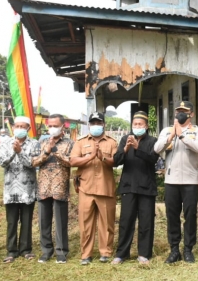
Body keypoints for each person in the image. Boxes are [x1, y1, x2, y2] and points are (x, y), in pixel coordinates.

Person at [154, 101, 198, 264]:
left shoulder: (196, 131)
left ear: (191, 114)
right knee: (172, 215)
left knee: (190, 215)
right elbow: (157, 149)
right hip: (171, 180)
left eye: (184, 111)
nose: (180, 114)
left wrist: (182, 135)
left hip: (190, 179)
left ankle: (188, 249)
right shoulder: (166, 130)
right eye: (178, 111)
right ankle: (174, 249)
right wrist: (172, 135)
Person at [112, 111, 160, 265]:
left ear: (146, 126)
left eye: (140, 124)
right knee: (126, 221)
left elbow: (153, 159)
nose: (137, 127)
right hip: (128, 186)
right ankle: (121, 254)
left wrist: (138, 148)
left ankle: (144, 254)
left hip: (146, 186)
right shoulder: (126, 139)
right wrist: (126, 149)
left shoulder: (153, 141)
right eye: (134, 124)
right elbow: (116, 160)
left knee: (146, 221)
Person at [70, 112, 118, 265]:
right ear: (89, 125)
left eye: (99, 122)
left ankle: (105, 252)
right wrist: (90, 157)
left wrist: (102, 156)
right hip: (86, 187)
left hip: (105, 187)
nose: (96, 125)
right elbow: (73, 160)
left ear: (104, 124)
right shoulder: (80, 142)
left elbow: (116, 161)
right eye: (93, 123)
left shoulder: (111, 142)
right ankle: (86, 254)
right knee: (85, 224)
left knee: (107, 223)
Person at [31, 114, 74, 264]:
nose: (52, 128)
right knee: (44, 221)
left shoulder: (70, 143)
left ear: (63, 126)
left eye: (55, 125)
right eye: (49, 126)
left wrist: (55, 150)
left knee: (61, 221)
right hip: (43, 187)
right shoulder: (40, 142)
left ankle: (61, 252)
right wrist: (46, 151)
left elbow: (71, 162)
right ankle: (46, 251)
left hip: (60, 187)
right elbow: (34, 162)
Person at [0, 116, 39, 263]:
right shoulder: (5, 143)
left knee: (27, 220)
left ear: (28, 128)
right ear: (13, 127)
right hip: (11, 188)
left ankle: (26, 249)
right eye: (18, 126)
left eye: (23, 126)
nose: (20, 129)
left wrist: (20, 152)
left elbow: (33, 164)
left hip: (27, 188)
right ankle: (11, 250)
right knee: (11, 220)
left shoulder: (34, 143)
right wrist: (14, 152)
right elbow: (2, 162)